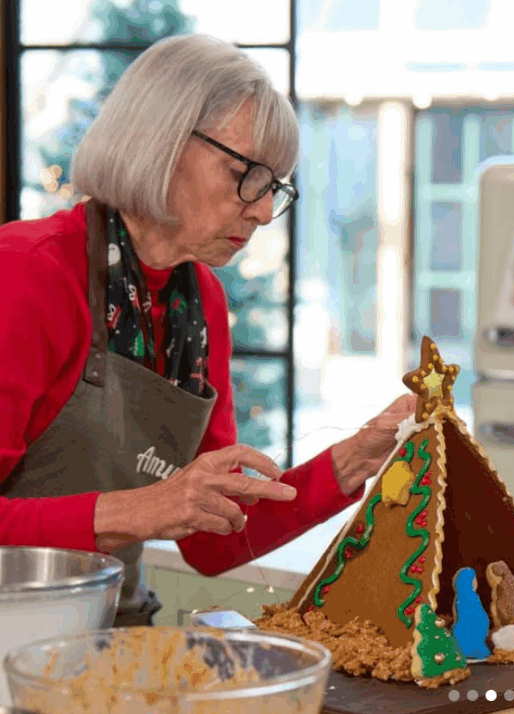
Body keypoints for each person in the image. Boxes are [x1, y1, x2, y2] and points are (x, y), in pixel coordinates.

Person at [0, 34, 415, 626]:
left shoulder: (200, 304)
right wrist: (141, 510)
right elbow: (158, 512)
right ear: (160, 141)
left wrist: (354, 460)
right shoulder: (26, 274)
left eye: (274, 186)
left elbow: (212, 540)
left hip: (115, 633)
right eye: (244, 173)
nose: (263, 210)